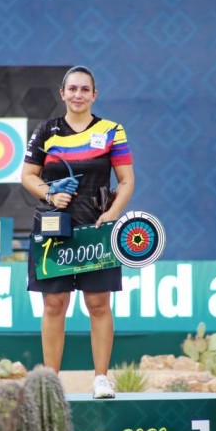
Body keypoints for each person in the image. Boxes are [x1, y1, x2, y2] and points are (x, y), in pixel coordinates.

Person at [21, 66, 134, 399]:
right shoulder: (46, 131)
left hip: (97, 232)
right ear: (63, 93)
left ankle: (101, 378)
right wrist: (50, 195)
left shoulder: (113, 131)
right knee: (54, 305)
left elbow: (126, 180)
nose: (78, 95)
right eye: (72, 89)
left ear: (94, 95)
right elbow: (28, 175)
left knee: (98, 304)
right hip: (54, 232)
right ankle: (51, 384)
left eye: (85, 89)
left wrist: (112, 215)